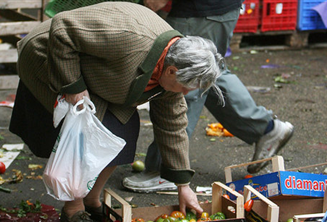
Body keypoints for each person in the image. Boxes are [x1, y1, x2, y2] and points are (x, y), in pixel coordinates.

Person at [9, 2, 225, 222]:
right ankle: (73, 209)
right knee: (90, 130)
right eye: (185, 87)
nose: (185, 94)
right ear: (171, 71)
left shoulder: (171, 70)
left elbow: (173, 126)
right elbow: (62, 28)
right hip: (50, 55)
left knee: (124, 130)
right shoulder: (129, 37)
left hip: (99, 74)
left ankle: (92, 199)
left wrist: (183, 186)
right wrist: (72, 85)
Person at [122, 0, 294, 192]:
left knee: (182, 79)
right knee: (205, 72)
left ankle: (166, 171)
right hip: (215, 10)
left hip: (202, 10)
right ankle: (265, 128)